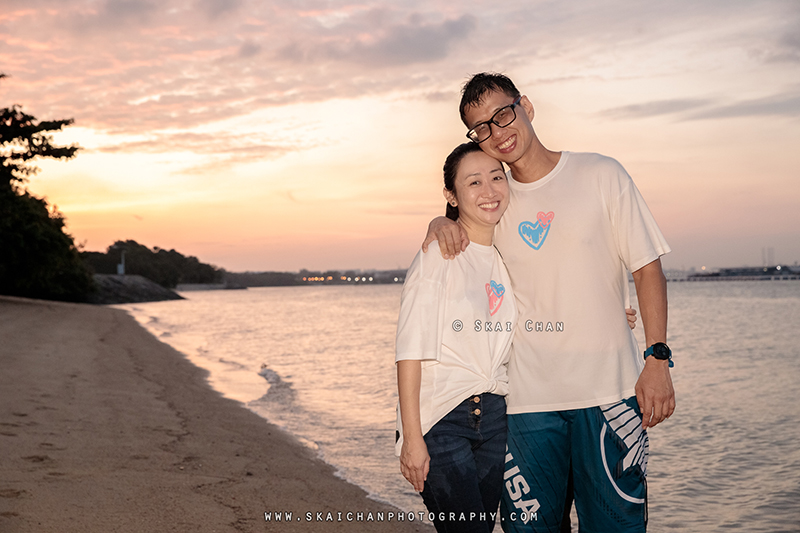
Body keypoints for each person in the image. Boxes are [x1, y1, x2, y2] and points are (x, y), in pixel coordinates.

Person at [423, 73, 675, 533]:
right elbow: (461, 237)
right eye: (482, 128)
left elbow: (647, 269)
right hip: (523, 404)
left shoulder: (601, 174)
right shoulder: (494, 199)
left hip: (610, 396)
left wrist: (657, 358)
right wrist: (440, 219)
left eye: (503, 114)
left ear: (527, 107)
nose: (497, 133)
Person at [396, 142, 516, 532]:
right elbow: (409, 350)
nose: (489, 190)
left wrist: (616, 313)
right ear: (452, 195)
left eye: (496, 177)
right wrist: (412, 439)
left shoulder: (506, 258)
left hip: (497, 418)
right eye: (474, 182)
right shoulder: (439, 254)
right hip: (443, 419)